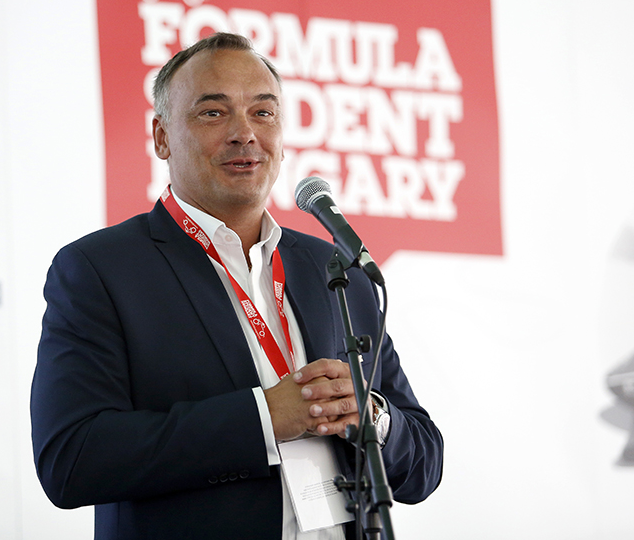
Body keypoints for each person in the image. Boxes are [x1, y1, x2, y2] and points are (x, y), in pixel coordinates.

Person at [31, 32, 443, 540]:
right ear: (161, 137)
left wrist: (372, 416)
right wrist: (264, 418)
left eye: (263, 113)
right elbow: (71, 459)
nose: (244, 133)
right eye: (213, 112)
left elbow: (425, 464)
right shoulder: (99, 270)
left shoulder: (337, 269)